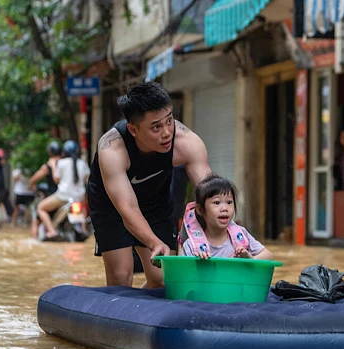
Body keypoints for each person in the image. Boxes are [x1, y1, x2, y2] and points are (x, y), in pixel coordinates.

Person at [87, 81, 211, 288]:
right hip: (112, 206)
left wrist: (231, 236)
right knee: (121, 277)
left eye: (169, 120)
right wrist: (154, 242)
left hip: (156, 202)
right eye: (156, 127)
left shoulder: (188, 143)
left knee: (164, 280)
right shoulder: (112, 149)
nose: (166, 132)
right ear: (133, 130)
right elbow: (128, 209)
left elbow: (210, 196)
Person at [180, 174, 273, 260]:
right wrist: (197, 263)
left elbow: (268, 255)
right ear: (200, 210)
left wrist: (251, 259)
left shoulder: (241, 235)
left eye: (229, 202)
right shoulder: (192, 245)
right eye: (216, 202)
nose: (224, 208)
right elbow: (183, 273)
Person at [37, 140, 90, 239]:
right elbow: (86, 180)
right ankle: (83, 230)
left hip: (62, 197)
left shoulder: (61, 163)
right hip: (79, 197)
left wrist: (53, 166)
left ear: (64, 152)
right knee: (82, 207)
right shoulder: (82, 163)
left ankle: (52, 231)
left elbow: (56, 180)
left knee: (40, 207)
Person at [28, 141, 63, 238]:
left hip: (53, 197)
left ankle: (34, 242)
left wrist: (31, 186)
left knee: (36, 221)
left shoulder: (48, 166)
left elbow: (33, 180)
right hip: (68, 196)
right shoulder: (65, 163)